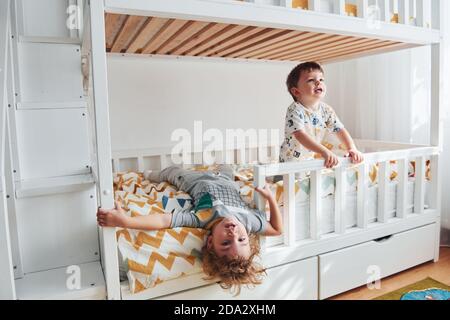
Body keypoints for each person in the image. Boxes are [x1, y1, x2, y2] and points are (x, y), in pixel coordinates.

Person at [97, 165, 283, 295]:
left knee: (173, 172)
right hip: (226, 180)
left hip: (196, 181)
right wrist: (272, 199)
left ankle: (150, 174)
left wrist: (126, 221)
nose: (234, 234)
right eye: (242, 240)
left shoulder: (203, 217)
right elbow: (276, 229)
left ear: (210, 241)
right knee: (227, 167)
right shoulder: (249, 221)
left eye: (226, 243)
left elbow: (163, 220)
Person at [280, 61, 364, 168]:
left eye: (321, 79)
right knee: (283, 183)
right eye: (311, 80)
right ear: (296, 92)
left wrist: (351, 148)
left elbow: (340, 130)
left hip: (310, 160)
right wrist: (324, 151)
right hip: (290, 162)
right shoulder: (295, 109)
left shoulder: (326, 110)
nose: (318, 83)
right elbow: (300, 135)